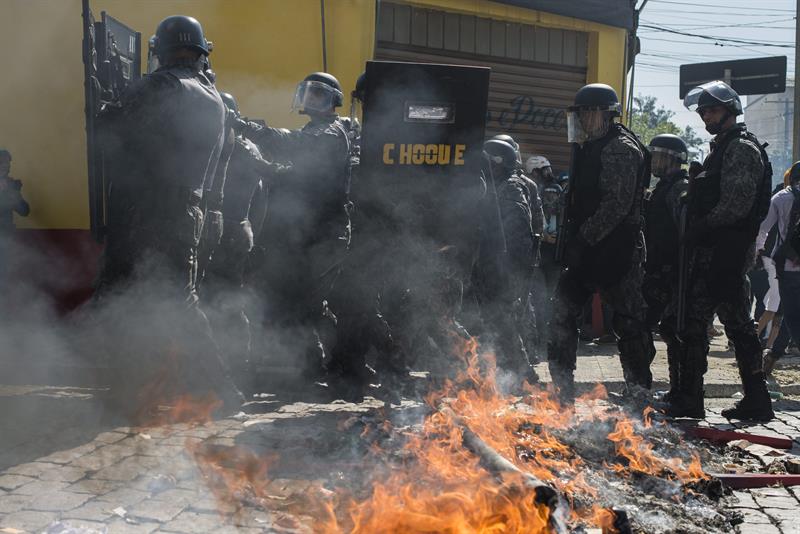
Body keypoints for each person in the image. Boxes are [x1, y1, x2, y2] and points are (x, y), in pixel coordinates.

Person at [95, 15, 242, 413]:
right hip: (186, 209)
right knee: (169, 300)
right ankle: (144, 389)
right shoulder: (213, 96)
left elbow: (110, 129)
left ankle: (208, 391)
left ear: (160, 50)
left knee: (129, 295)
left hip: (149, 209)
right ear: (199, 52)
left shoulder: (160, 85)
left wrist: (105, 96)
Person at [662, 80, 774, 420]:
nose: (705, 116)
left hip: (725, 253)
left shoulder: (740, 148)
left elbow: (737, 204)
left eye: (711, 110)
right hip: (718, 252)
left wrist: (703, 225)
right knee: (738, 324)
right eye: (703, 112)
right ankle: (756, 400)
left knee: (696, 322)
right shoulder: (722, 148)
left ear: (729, 111)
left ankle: (692, 398)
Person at [239, 72, 356, 390]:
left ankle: (345, 363)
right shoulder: (316, 130)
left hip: (328, 232)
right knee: (303, 300)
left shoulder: (330, 134)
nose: (310, 100)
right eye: (308, 93)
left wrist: (254, 134)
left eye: (318, 95)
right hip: (311, 231)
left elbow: (293, 147)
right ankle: (319, 365)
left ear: (333, 100)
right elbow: (295, 170)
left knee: (310, 301)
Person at [548, 83, 653, 404]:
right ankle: (562, 392)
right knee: (561, 314)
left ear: (604, 114)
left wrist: (583, 238)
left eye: (587, 113)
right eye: (579, 114)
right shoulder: (588, 146)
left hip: (617, 250)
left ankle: (638, 396)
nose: (582, 120)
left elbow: (616, 205)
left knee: (629, 323)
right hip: (587, 249)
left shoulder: (620, 148)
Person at [475, 138, 537, 383]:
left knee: (504, 321)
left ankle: (523, 375)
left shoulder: (510, 188)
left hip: (505, 268)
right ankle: (513, 373)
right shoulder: (497, 185)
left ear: (498, 163)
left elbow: (518, 233)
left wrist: (509, 270)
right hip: (494, 265)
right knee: (499, 321)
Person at [641, 134, 689, 402]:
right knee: (656, 328)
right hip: (656, 270)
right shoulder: (662, 187)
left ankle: (679, 390)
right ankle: (665, 389)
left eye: (658, 156)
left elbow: (683, 234)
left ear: (672, 159)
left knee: (673, 330)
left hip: (671, 274)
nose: (653, 161)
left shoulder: (679, 188)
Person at [759, 161, 800, 375]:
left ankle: (772, 355)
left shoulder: (782, 197)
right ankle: (774, 354)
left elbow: (763, 228)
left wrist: (756, 252)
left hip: (788, 268)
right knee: (791, 314)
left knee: (791, 315)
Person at [0, 149, 30, 288]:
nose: (7, 166)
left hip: (6, 238)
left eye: (8, 163)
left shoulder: (12, 185)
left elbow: (24, 211)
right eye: (3, 163)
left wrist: (13, 196)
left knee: (4, 276)